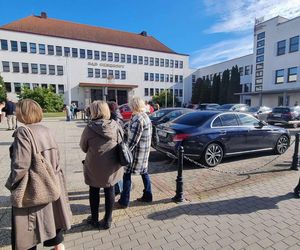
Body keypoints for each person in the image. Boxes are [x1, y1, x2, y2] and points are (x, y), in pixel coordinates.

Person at [5, 99, 72, 250]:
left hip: (32, 187)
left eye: (17, 109)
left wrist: (12, 184)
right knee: (51, 224)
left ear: (23, 112)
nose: (15, 112)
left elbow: (20, 165)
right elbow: (57, 158)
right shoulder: (47, 130)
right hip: (51, 184)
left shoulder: (23, 132)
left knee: (28, 234)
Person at [80, 100, 123, 229]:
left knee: (94, 191)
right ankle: (108, 219)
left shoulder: (89, 127)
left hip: (94, 165)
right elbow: (121, 141)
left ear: (93, 111)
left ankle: (94, 219)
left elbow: (83, 147)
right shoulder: (115, 125)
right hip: (112, 165)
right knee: (110, 189)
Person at [117, 96, 153, 208]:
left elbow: (133, 141)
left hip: (137, 153)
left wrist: (124, 152)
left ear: (134, 106)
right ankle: (148, 196)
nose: (129, 107)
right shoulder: (143, 116)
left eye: (131, 105)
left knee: (127, 175)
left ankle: (124, 201)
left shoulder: (139, 119)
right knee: (144, 172)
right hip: (143, 152)